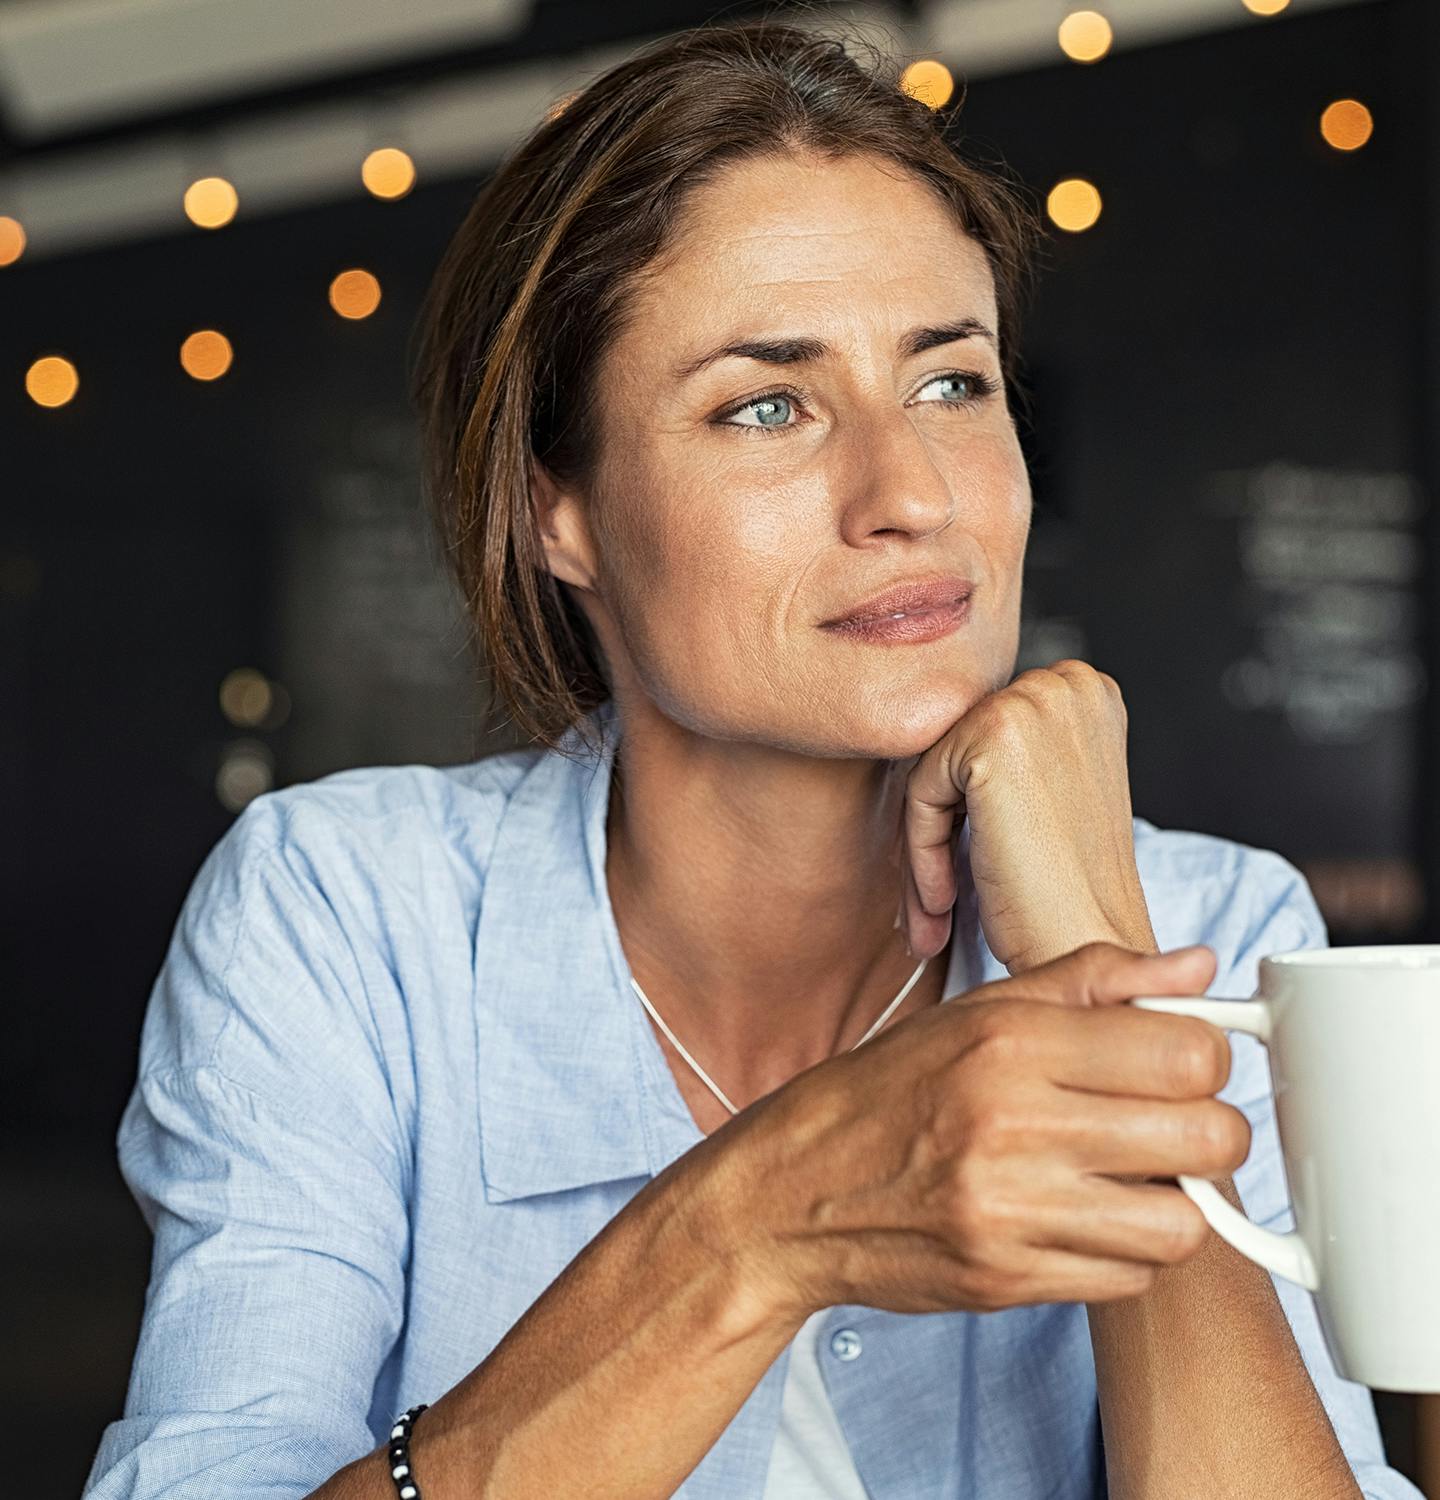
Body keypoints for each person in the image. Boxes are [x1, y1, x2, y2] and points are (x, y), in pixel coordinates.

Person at [82, 17, 1421, 1500]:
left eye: (951, 383)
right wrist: (758, 1225)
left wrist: (1089, 946)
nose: (909, 493)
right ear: (557, 514)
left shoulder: (1216, 931)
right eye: (766, 405)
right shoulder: (346, 918)